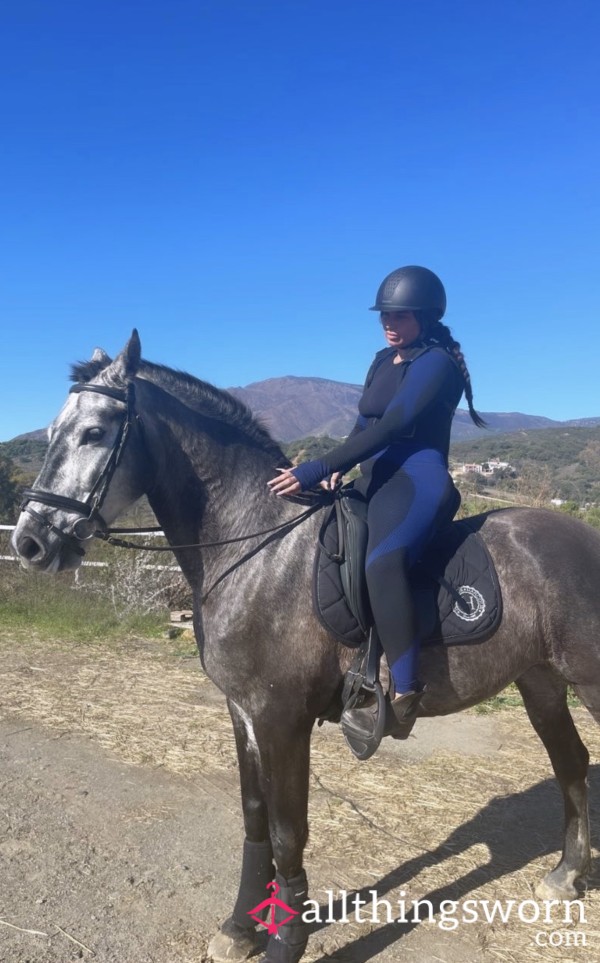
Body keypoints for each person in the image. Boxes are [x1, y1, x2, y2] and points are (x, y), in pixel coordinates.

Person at [268, 265, 485, 737]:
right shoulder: (381, 360)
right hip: (374, 476)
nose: (389, 323)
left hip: (417, 480)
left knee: (382, 564)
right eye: (384, 314)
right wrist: (340, 467)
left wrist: (316, 466)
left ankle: (406, 691)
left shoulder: (437, 363)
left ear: (425, 316)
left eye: (400, 315)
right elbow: (366, 425)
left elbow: (392, 426)